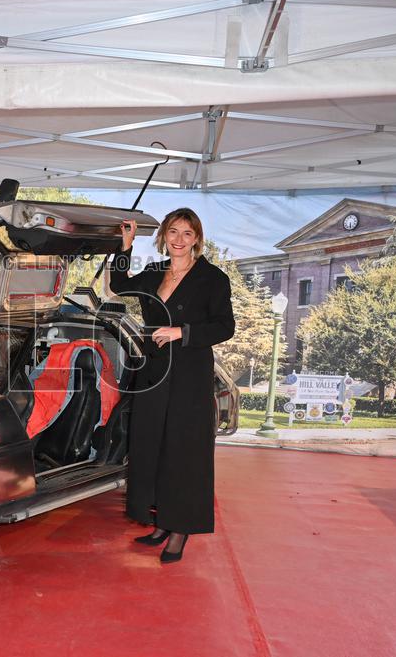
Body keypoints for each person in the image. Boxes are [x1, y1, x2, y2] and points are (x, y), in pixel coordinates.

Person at [109, 208, 235, 564]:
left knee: (183, 452)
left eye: (187, 233)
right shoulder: (153, 273)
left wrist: (182, 332)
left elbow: (225, 327)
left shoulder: (212, 278)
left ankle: (180, 529)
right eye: (173, 232)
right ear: (164, 236)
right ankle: (161, 520)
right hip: (153, 372)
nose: (179, 240)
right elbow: (119, 285)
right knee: (154, 447)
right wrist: (125, 246)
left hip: (189, 374)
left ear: (196, 238)